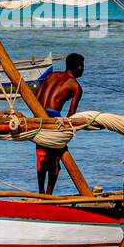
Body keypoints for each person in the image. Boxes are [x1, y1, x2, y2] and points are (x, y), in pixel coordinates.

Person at [32, 53, 84, 193]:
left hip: (38, 116)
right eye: (83, 67)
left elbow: (36, 96)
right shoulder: (75, 86)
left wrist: (38, 116)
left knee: (41, 160)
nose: (83, 70)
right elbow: (71, 115)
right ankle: (48, 196)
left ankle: (41, 193)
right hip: (53, 118)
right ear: (78, 67)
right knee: (54, 165)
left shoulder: (51, 75)